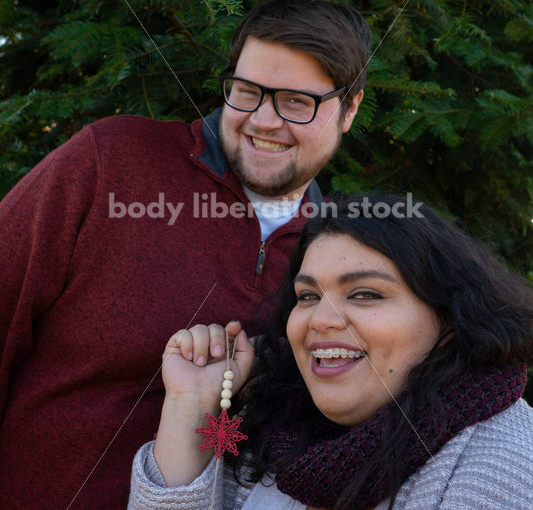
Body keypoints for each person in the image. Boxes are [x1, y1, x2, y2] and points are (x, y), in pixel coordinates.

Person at [0, 0, 371, 509]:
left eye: (296, 103)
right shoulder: (110, 161)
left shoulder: (340, 254)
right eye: (247, 91)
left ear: (349, 109)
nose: (264, 121)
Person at [128, 193, 533, 510]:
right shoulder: (272, 434)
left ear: (448, 320)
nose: (320, 319)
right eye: (307, 296)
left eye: (364, 294)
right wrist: (189, 405)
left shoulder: (508, 463)